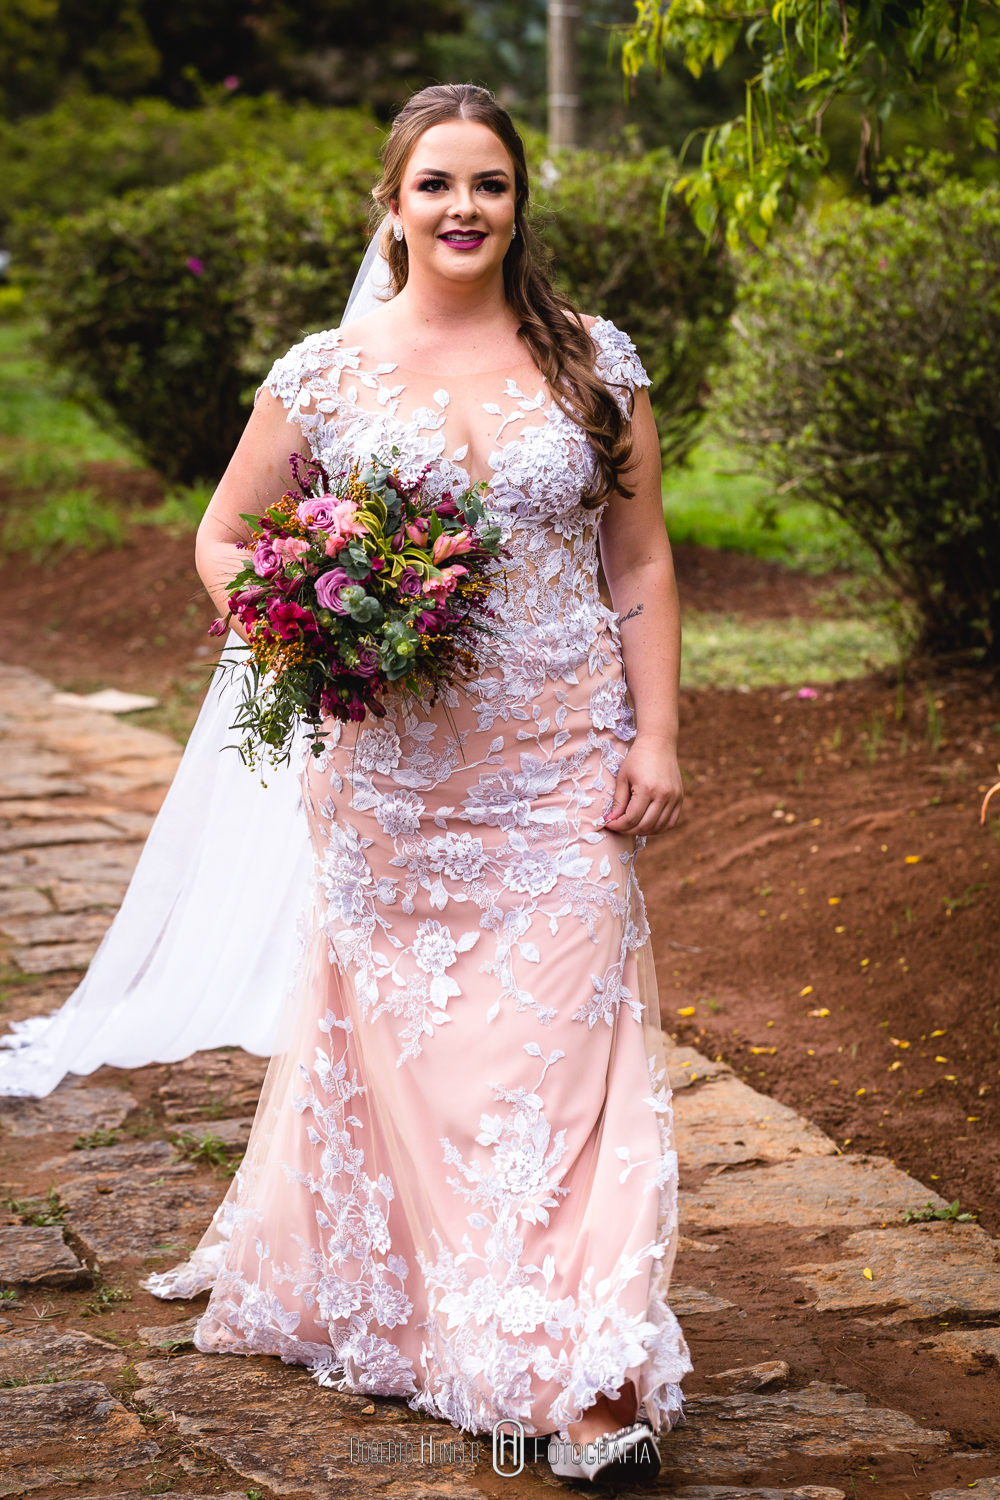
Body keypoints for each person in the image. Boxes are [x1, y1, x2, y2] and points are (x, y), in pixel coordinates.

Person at [144, 83, 691, 1484]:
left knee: (574, 1076)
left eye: (490, 185)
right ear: (392, 204)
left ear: (519, 206)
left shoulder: (589, 361)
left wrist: (658, 736)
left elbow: (638, 563)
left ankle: (587, 1379)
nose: (464, 209)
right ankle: (483, 1331)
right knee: (439, 1084)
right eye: (436, 183)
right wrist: (305, 626)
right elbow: (225, 537)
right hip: (394, 786)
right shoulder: (326, 372)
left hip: (561, 770)